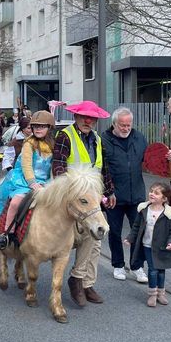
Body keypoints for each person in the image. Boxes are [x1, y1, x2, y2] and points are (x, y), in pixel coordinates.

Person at [51, 100, 115, 307]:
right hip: (73, 197)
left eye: (92, 118)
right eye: (84, 117)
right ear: (76, 117)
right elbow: (58, 166)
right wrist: (69, 191)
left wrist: (110, 191)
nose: (88, 121)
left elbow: (103, 168)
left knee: (97, 239)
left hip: (93, 197)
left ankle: (86, 283)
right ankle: (77, 279)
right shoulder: (65, 136)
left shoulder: (97, 139)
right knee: (85, 237)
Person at [0, 110, 55, 248]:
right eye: (35, 126)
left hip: (45, 181)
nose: (38, 129)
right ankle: (8, 234)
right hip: (25, 180)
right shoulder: (29, 144)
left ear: (49, 128)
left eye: (42, 126)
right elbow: (26, 165)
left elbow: (53, 167)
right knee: (16, 202)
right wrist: (32, 183)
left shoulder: (53, 145)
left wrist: (52, 183)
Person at [101, 107, 149, 283]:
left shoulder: (139, 138)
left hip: (136, 194)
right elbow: (100, 167)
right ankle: (118, 265)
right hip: (113, 195)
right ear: (114, 123)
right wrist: (107, 191)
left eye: (129, 125)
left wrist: (166, 156)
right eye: (122, 125)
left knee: (139, 231)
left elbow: (148, 162)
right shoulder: (103, 140)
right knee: (114, 231)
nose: (126, 128)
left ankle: (137, 266)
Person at [126, 183, 171, 307]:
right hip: (147, 245)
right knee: (153, 269)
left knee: (161, 270)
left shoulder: (168, 213)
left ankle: (161, 293)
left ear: (164, 198)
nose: (152, 194)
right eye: (151, 191)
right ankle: (152, 294)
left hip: (162, 247)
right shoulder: (144, 210)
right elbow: (136, 226)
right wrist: (130, 238)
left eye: (156, 193)